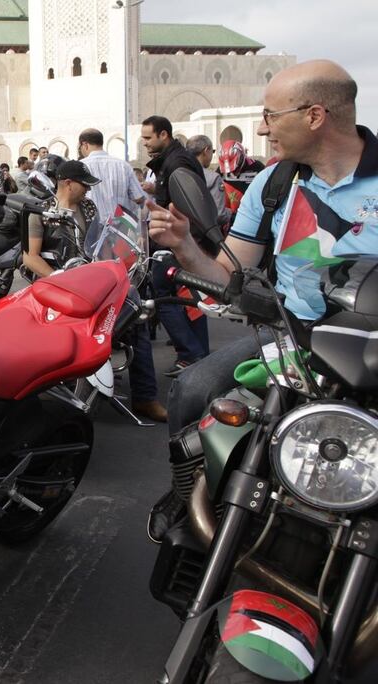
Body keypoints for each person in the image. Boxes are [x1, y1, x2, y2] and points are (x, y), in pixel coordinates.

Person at [147, 59, 378, 538]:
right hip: (293, 338)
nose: (261, 127)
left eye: (271, 115)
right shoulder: (272, 185)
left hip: (371, 350)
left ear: (314, 116)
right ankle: (188, 502)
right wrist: (186, 246)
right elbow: (228, 273)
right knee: (193, 388)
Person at [22, 161, 167, 422]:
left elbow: (100, 241)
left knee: (135, 320)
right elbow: (30, 258)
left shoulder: (88, 208)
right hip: (56, 287)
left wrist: (120, 264)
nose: (88, 191)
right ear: (67, 183)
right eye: (84, 185)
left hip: (89, 280)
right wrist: (58, 277)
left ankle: (146, 397)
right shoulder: (39, 211)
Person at [140, 115, 213, 376]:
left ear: (164, 135)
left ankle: (190, 353)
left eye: (148, 137)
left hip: (177, 240)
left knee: (164, 295)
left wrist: (180, 240)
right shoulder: (173, 161)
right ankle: (198, 353)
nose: (144, 143)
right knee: (191, 297)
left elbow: (187, 204)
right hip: (182, 239)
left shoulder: (177, 162)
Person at [77, 128, 145, 221]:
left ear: (85, 144)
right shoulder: (123, 165)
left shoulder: (80, 166)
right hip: (120, 226)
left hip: (92, 226)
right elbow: (138, 197)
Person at [186, 135, 231, 228]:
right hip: (206, 234)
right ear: (206, 151)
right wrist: (231, 213)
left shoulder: (179, 173)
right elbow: (219, 215)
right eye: (212, 151)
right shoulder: (213, 178)